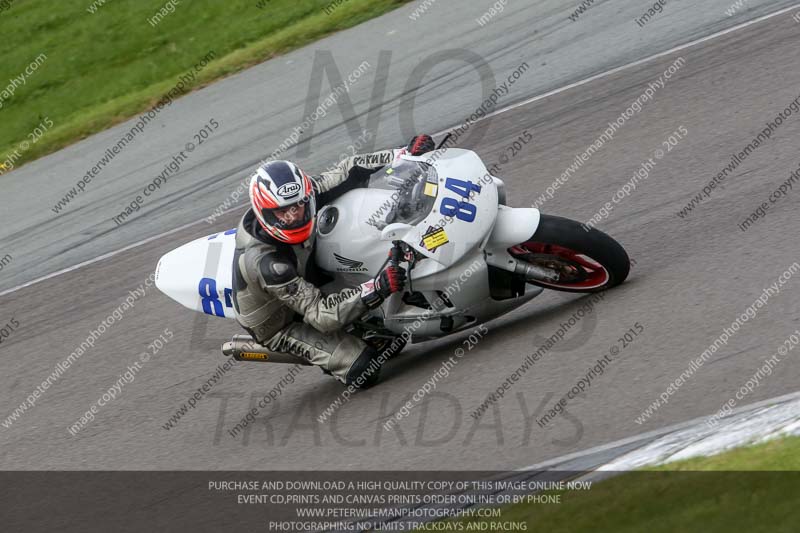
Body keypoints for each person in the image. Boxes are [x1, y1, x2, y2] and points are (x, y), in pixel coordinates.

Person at [231, 135, 436, 387]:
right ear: (265, 213)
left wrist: (403, 153)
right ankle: (333, 351)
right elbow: (319, 314)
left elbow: (349, 169)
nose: (294, 216)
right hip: (283, 321)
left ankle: (365, 322)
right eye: (283, 212)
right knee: (364, 367)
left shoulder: (306, 195)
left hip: (309, 272)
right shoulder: (269, 264)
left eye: (297, 206)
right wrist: (377, 287)